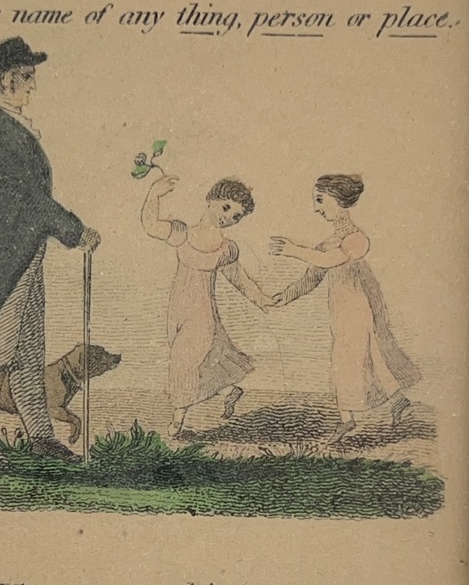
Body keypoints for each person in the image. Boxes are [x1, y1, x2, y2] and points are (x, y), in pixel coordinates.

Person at [0, 37, 99, 468]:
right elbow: (22, 200)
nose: (32, 86)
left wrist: (20, 233)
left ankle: (40, 436)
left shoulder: (7, 129)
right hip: (11, 259)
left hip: (26, 252)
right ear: (3, 82)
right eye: (26, 78)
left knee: (29, 353)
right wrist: (74, 231)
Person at [267, 173, 420, 439]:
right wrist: (286, 295)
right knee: (366, 357)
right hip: (341, 311)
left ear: (338, 199)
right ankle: (397, 402)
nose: (316, 208)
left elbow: (330, 260)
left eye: (320, 200)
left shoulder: (356, 239)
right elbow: (312, 277)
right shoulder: (327, 243)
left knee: (349, 359)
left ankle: (347, 419)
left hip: (359, 308)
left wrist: (293, 250)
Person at [141, 172, 274, 438]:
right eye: (226, 208)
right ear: (211, 199)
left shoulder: (225, 248)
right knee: (201, 360)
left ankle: (177, 421)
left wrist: (262, 299)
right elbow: (150, 225)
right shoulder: (183, 233)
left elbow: (240, 279)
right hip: (177, 311)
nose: (228, 217)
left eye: (236, 216)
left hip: (202, 313)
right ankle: (229, 391)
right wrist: (154, 193)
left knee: (183, 362)